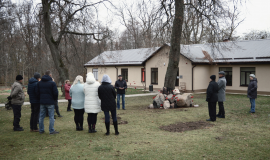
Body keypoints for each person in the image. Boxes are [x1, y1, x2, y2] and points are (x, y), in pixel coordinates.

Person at [36, 70, 59, 135]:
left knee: (41, 116)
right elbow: (55, 93)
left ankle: (41, 130)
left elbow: (37, 93)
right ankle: (51, 130)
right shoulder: (52, 83)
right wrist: (54, 99)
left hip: (42, 101)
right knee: (51, 116)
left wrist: (40, 99)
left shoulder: (39, 83)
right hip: (50, 101)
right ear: (50, 75)